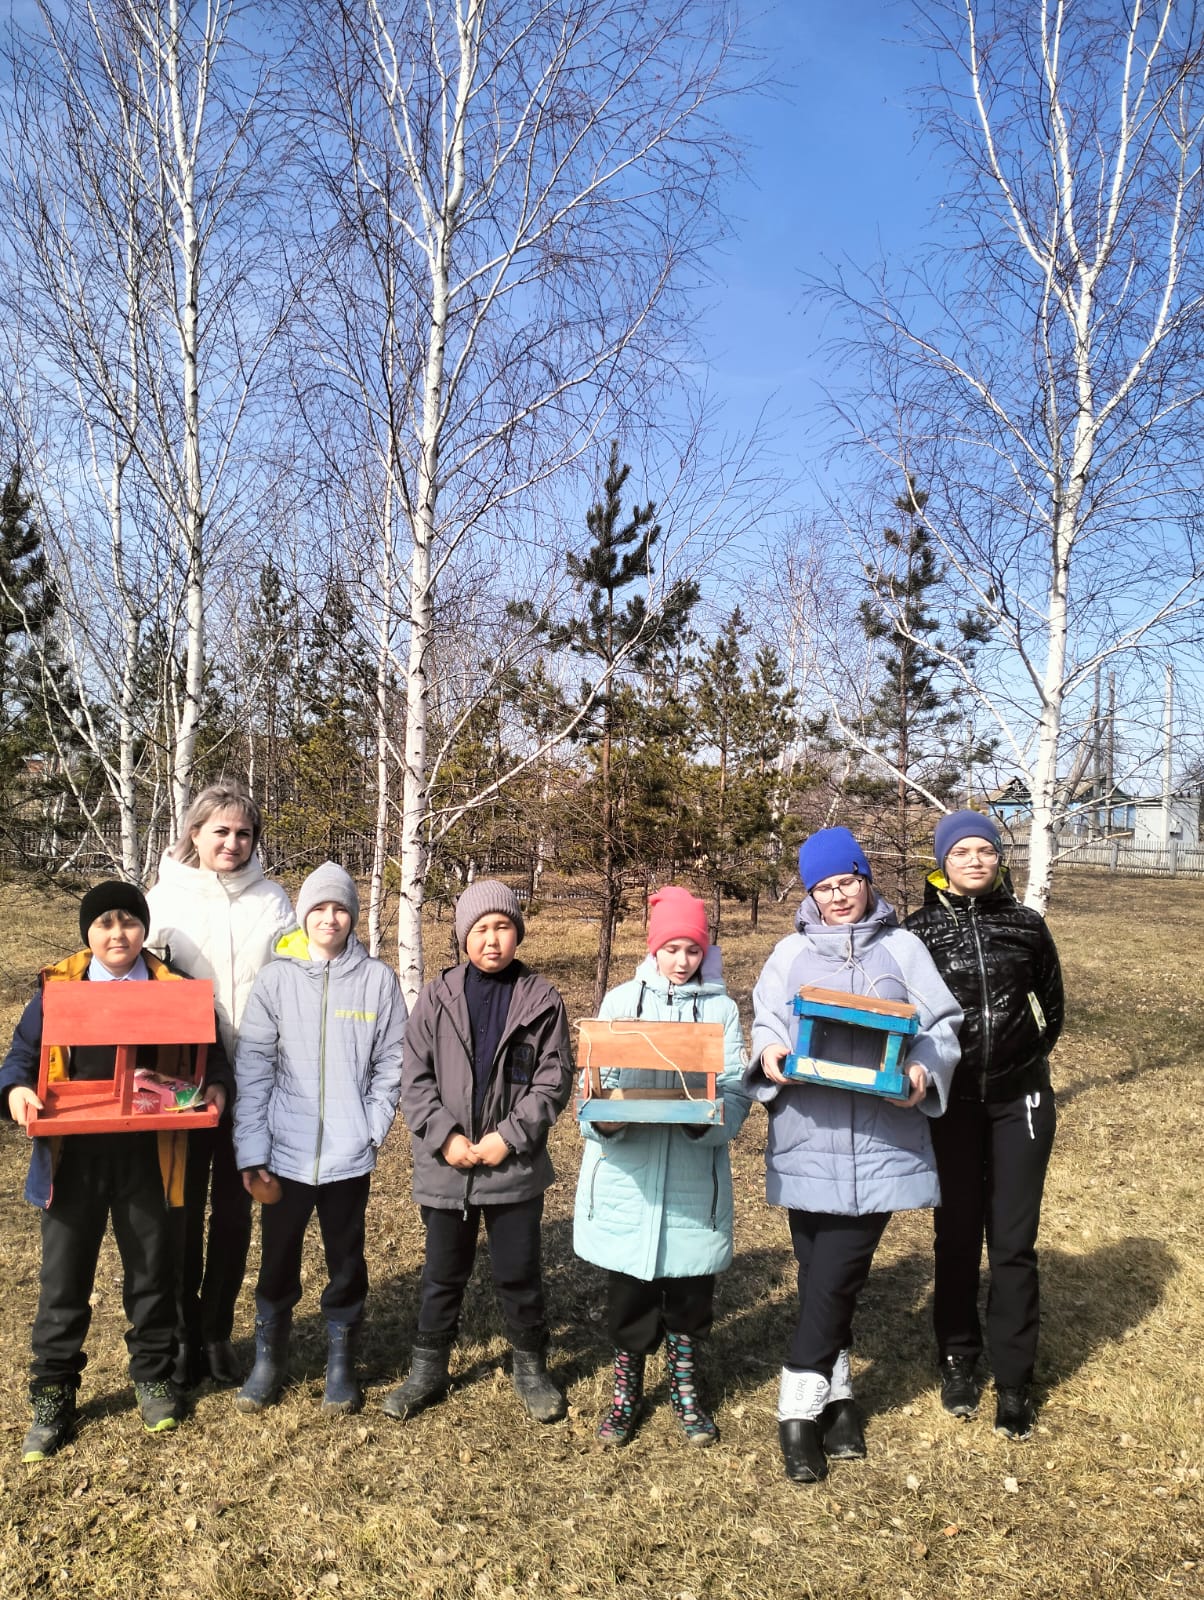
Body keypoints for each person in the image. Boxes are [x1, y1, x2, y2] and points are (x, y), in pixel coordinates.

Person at [750, 826, 962, 1484]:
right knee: (819, 1271)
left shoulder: (903, 948)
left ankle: (797, 1406)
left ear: (866, 880)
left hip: (879, 1143)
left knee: (838, 1271)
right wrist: (770, 1051)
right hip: (806, 1135)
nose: (838, 896)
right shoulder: (789, 953)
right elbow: (767, 1019)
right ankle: (839, 1400)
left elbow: (941, 1025)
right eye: (824, 887)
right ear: (809, 894)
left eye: (847, 882)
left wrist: (923, 1070)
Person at [0, 882, 232, 1460]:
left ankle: (152, 1375)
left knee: (152, 1270)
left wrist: (216, 1087)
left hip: (149, 1154)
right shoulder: (58, 991)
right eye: (104, 923)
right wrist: (17, 1092)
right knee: (63, 1279)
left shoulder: (173, 988)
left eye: (128, 921)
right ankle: (53, 1392)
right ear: (88, 932)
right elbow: (20, 1059)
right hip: (72, 1156)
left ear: (143, 929)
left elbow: (212, 1057)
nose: (117, 934)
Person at [387, 879, 574, 1425]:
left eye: (503, 927)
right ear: (462, 936)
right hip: (447, 1166)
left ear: (518, 933)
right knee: (442, 1274)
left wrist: (507, 1137)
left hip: (513, 1166)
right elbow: (414, 1077)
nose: (492, 940)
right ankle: (427, 1369)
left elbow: (553, 1080)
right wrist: (445, 1136)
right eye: (481, 929)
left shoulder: (541, 999)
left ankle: (530, 1367)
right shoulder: (436, 997)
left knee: (519, 1271)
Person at [572, 886, 750, 1448]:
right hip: (629, 1182)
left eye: (692, 950)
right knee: (629, 1297)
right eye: (671, 949)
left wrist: (708, 1121)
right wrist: (605, 1121)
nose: (681, 961)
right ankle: (626, 1391)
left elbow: (735, 1087)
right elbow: (595, 1083)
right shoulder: (622, 1001)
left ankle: (685, 1387)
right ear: (654, 948)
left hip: (695, 1184)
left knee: (692, 1295)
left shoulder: (721, 1010)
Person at [905, 810, 1063, 1441]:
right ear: (942, 862)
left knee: (1014, 1242)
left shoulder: (1027, 926)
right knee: (957, 1233)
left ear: (1000, 858)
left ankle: (1015, 1380)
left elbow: (1052, 1009)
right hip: (952, 1104)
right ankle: (957, 1357)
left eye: (986, 850)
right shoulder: (917, 934)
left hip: (1020, 1101)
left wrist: (1022, 1063)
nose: (975, 860)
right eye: (961, 852)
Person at [231, 862, 407, 1416]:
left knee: (346, 1259)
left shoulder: (377, 980)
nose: (330, 918)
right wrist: (252, 1150)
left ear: (352, 915)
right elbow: (254, 1069)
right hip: (283, 1154)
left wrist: (371, 1126)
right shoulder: (276, 980)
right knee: (277, 1258)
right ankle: (269, 1360)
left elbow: (393, 1061)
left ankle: (341, 1363)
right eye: (319, 908)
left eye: (340, 909)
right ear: (303, 914)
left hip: (347, 1158)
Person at [146, 781, 295, 1389]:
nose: (233, 843)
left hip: (254, 1083)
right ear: (195, 833)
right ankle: (182, 1335)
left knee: (234, 1213)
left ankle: (216, 1333)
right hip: (183, 1085)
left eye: (244, 833)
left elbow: (296, 973)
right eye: (221, 831)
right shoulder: (163, 900)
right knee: (180, 1212)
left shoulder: (273, 901)